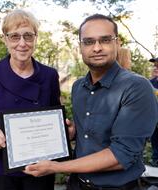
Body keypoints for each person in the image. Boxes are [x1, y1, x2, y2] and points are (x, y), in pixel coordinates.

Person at [24, 14, 158, 190]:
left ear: (117, 43)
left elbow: (122, 154)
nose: (96, 48)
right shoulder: (78, 87)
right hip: (76, 184)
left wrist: (56, 167)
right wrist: (72, 132)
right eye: (88, 42)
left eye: (105, 40)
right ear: (80, 47)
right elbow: (89, 133)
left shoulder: (136, 87)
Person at [0, 9, 61, 190]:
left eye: (28, 36)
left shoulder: (49, 75)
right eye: (15, 36)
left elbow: (54, 119)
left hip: (39, 168)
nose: (22, 43)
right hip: (0, 171)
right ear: (5, 40)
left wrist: (65, 129)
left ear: (36, 38)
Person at [149, 57, 158, 167]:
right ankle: (155, 160)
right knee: (155, 139)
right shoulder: (149, 83)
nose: (155, 68)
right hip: (154, 119)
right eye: (154, 66)